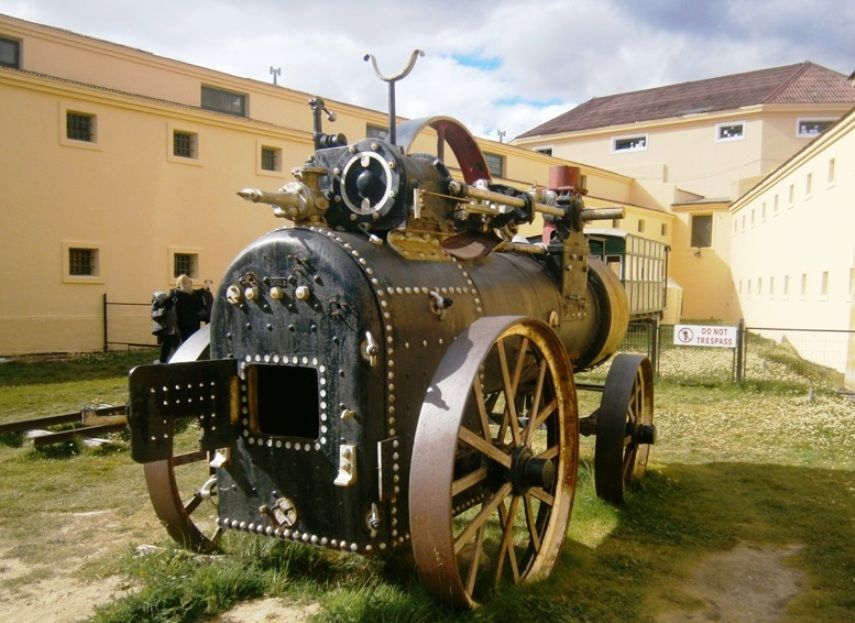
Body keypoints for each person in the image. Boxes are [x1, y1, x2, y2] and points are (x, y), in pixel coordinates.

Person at [173, 274, 205, 342]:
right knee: (192, 343)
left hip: (180, 323)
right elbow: (199, 309)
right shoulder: (193, 296)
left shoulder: (175, 295)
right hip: (193, 323)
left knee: (182, 342)